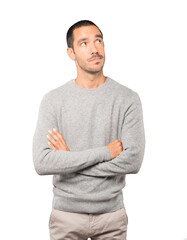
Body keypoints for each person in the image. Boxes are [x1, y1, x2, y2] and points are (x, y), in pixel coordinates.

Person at [32, 19, 146, 240]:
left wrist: (69, 160)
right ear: (71, 53)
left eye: (98, 41)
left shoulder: (128, 99)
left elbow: (133, 161)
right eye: (84, 43)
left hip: (111, 215)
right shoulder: (53, 101)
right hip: (66, 215)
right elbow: (42, 162)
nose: (94, 49)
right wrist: (105, 152)